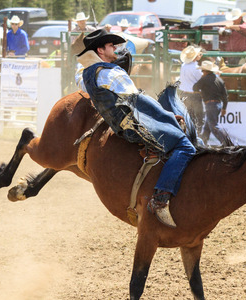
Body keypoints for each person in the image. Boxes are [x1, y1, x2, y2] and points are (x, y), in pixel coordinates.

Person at [76, 29, 196, 228]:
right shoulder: (113, 73)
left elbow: (81, 83)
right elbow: (137, 101)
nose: (115, 49)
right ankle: (160, 198)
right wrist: (166, 116)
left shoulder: (89, 74)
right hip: (135, 125)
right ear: (100, 50)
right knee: (186, 146)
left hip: (120, 125)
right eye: (110, 46)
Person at [192, 60, 229, 145]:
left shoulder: (204, 79)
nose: (202, 72)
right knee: (207, 127)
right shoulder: (219, 80)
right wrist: (224, 108)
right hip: (218, 105)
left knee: (213, 126)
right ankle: (202, 143)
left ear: (205, 71)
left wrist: (200, 92)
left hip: (210, 105)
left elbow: (195, 87)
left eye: (202, 71)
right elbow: (225, 95)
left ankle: (226, 142)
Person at [178, 45, 204, 134]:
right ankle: (197, 136)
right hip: (195, 95)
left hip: (185, 94)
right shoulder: (196, 68)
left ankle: (188, 134)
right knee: (199, 117)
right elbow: (201, 80)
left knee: (187, 116)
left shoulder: (183, 66)